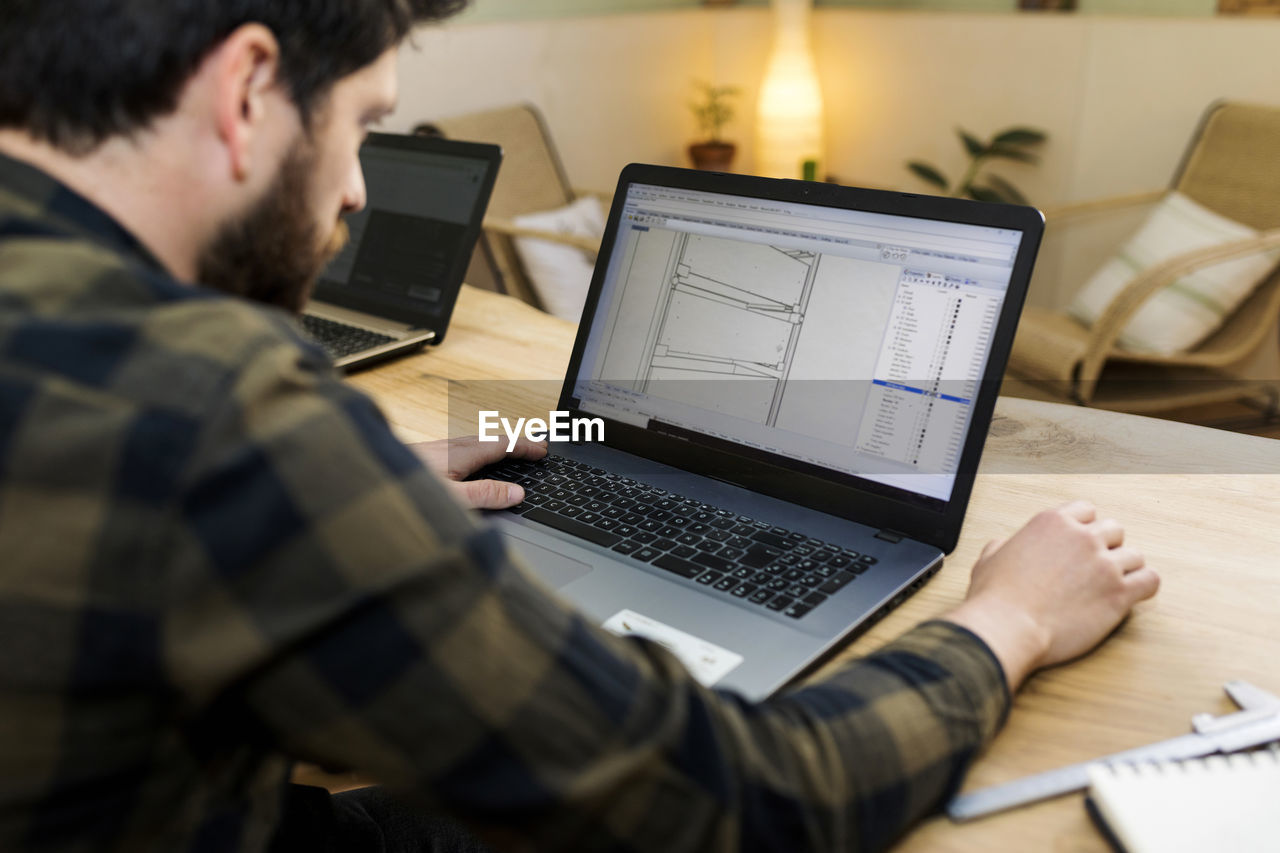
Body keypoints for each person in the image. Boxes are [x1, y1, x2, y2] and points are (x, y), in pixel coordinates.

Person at [0, 1, 1160, 851]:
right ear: (246, 87)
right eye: (361, 124)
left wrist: (358, 481)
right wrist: (1007, 617)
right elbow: (746, 802)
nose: (356, 190)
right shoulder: (218, 417)